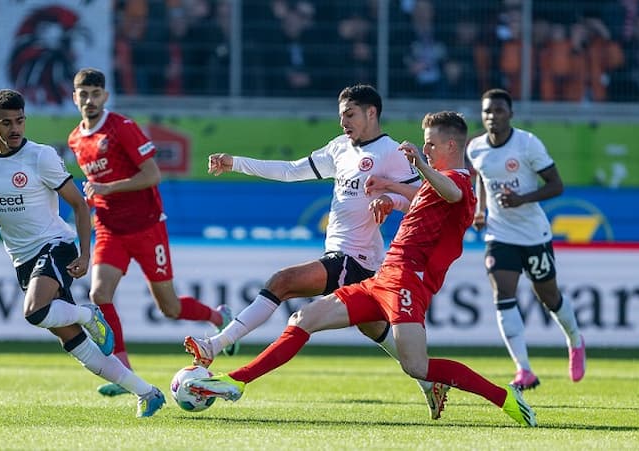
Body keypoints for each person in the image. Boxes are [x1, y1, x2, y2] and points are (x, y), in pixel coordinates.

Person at [185, 111, 538, 427]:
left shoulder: (458, 180)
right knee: (303, 320)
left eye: (430, 144)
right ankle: (235, 382)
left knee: (417, 366)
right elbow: (421, 200)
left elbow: (452, 194)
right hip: (382, 277)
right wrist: (390, 192)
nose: (425, 148)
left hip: (408, 282)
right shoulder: (436, 183)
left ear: (450, 144)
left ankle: (505, 397)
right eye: (424, 145)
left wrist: (419, 166)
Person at [185, 83, 449, 420]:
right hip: (346, 258)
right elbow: (291, 170)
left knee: (282, 281)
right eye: (341, 116)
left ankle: (215, 345)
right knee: (374, 328)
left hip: (356, 260)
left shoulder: (392, 152)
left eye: (349, 115)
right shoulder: (340, 148)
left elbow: (422, 199)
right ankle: (430, 381)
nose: (343, 123)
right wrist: (235, 162)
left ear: (371, 113)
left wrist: (390, 199)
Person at [0, 89, 165, 417]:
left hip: (54, 246)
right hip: (22, 259)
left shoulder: (40, 156)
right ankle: (147, 393)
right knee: (75, 345)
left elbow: (78, 203)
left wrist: (85, 253)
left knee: (33, 311)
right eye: (6, 123)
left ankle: (90, 314)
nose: (15, 128)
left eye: (20, 121)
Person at [67, 68, 233, 397]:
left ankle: (219, 316)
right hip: (110, 228)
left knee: (169, 307)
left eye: (95, 93)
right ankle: (122, 371)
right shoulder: (75, 139)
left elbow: (152, 175)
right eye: (83, 94)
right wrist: (93, 197)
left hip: (146, 226)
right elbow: (97, 188)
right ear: (74, 98)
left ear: (105, 96)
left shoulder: (122, 128)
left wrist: (105, 187)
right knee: (99, 295)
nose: (89, 100)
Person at [467, 88, 586, 390]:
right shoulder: (476, 148)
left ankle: (574, 339)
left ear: (511, 114)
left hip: (534, 235)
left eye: (498, 110)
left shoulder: (527, 144)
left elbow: (556, 185)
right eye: (487, 112)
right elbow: (482, 178)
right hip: (499, 234)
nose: (492, 116)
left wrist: (523, 199)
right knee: (503, 295)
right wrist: (481, 211)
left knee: (549, 297)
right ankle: (524, 369)